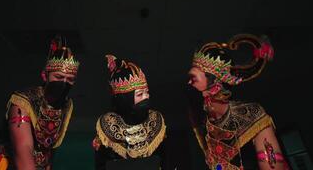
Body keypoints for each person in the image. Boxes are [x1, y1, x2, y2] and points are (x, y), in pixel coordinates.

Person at [187, 34, 289, 170]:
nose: (189, 83)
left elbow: (273, 166)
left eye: (193, 78)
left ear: (215, 84)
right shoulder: (201, 119)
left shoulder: (251, 114)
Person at [0, 36, 80, 170]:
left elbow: (48, 149)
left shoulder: (66, 105)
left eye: (70, 79)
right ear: (44, 76)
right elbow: (23, 148)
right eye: (58, 77)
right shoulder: (24, 101)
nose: (64, 83)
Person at [92, 55, 169, 170]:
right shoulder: (108, 126)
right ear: (124, 99)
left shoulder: (156, 121)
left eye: (146, 92)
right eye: (139, 94)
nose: (146, 97)